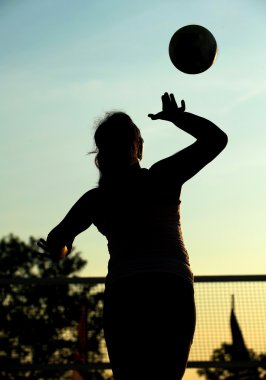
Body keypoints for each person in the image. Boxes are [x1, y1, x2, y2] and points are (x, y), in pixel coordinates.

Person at [38, 92, 228, 380]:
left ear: (102, 153)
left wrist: (61, 250)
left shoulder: (96, 199)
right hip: (170, 286)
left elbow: (57, 242)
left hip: (127, 291)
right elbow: (216, 139)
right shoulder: (161, 177)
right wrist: (179, 118)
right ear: (137, 148)